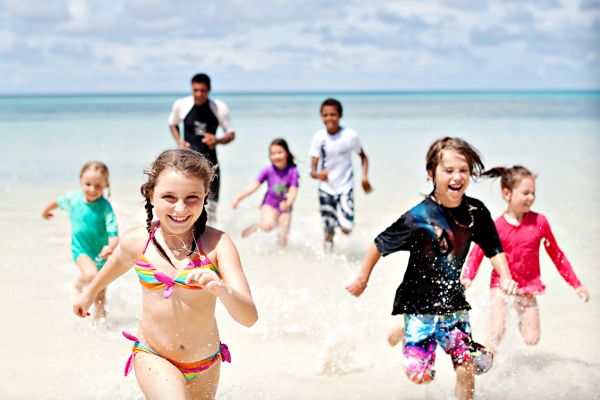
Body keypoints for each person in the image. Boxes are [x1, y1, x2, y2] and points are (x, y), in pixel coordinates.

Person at [73, 149, 257, 400]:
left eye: (192, 197)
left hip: (205, 363)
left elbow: (248, 317)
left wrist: (222, 290)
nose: (180, 208)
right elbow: (112, 268)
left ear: (206, 195)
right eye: (169, 196)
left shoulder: (218, 245)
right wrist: (89, 294)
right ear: (151, 195)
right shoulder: (137, 242)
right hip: (153, 355)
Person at [346, 137, 517, 400]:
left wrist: (506, 276)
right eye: (448, 170)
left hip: (454, 307)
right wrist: (362, 278)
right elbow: (379, 244)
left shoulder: (475, 212)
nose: (457, 176)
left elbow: (493, 248)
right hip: (419, 308)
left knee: (467, 367)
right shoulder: (419, 217)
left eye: (463, 170)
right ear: (431, 173)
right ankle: (406, 329)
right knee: (420, 376)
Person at [462, 165, 590, 353]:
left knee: (532, 339)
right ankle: (484, 357)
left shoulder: (540, 223)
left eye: (533, 192)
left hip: (528, 285)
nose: (530, 197)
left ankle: (513, 335)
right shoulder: (496, 226)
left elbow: (557, 254)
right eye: (525, 193)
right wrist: (468, 277)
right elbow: (477, 253)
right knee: (497, 330)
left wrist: (576, 284)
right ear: (507, 193)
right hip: (501, 284)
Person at [42, 161, 118, 319]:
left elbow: (114, 234)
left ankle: (99, 327)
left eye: (98, 186)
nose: (92, 189)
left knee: (100, 297)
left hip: (102, 254)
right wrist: (45, 211)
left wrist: (110, 247)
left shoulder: (105, 207)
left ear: (105, 185)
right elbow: (57, 202)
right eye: (88, 184)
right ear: (81, 181)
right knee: (91, 275)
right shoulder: (73, 199)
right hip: (81, 250)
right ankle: (78, 285)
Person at [168, 73, 236, 223]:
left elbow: (231, 134)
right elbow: (172, 123)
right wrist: (179, 141)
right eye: (195, 90)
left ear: (209, 89)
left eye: (203, 90)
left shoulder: (219, 108)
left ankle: (210, 240)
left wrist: (217, 140)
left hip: (211, 162)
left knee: (211, 206)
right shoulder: (182, 105)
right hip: (186, 162)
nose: (198, 94)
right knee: (187, 202)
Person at [309, 98, 372, 250]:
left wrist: (364, 177)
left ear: (340, 115)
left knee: (347, 228)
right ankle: (328, 260)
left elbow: (363, 157)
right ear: (321, 116)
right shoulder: (319, 138)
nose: (329, 118)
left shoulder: (350, 135)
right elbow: (312, 171)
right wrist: (319, 175)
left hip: (345, 187)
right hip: (326, 189)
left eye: (333, 114)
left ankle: (339, 220)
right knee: (328, 229)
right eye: (325, 115)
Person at [231, 138, 299, 246]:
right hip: (269, 205)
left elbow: (293, 190)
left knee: (283, 237)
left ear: (287, 153)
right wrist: (238, 198)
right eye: (273, 153)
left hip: (286, 207)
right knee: (268, 225)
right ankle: (255, 227)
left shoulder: (293, 171)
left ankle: (279, 259)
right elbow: (254, 186)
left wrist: (288, 203)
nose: (276, 156)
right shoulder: (268, 170)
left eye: (280, 153)